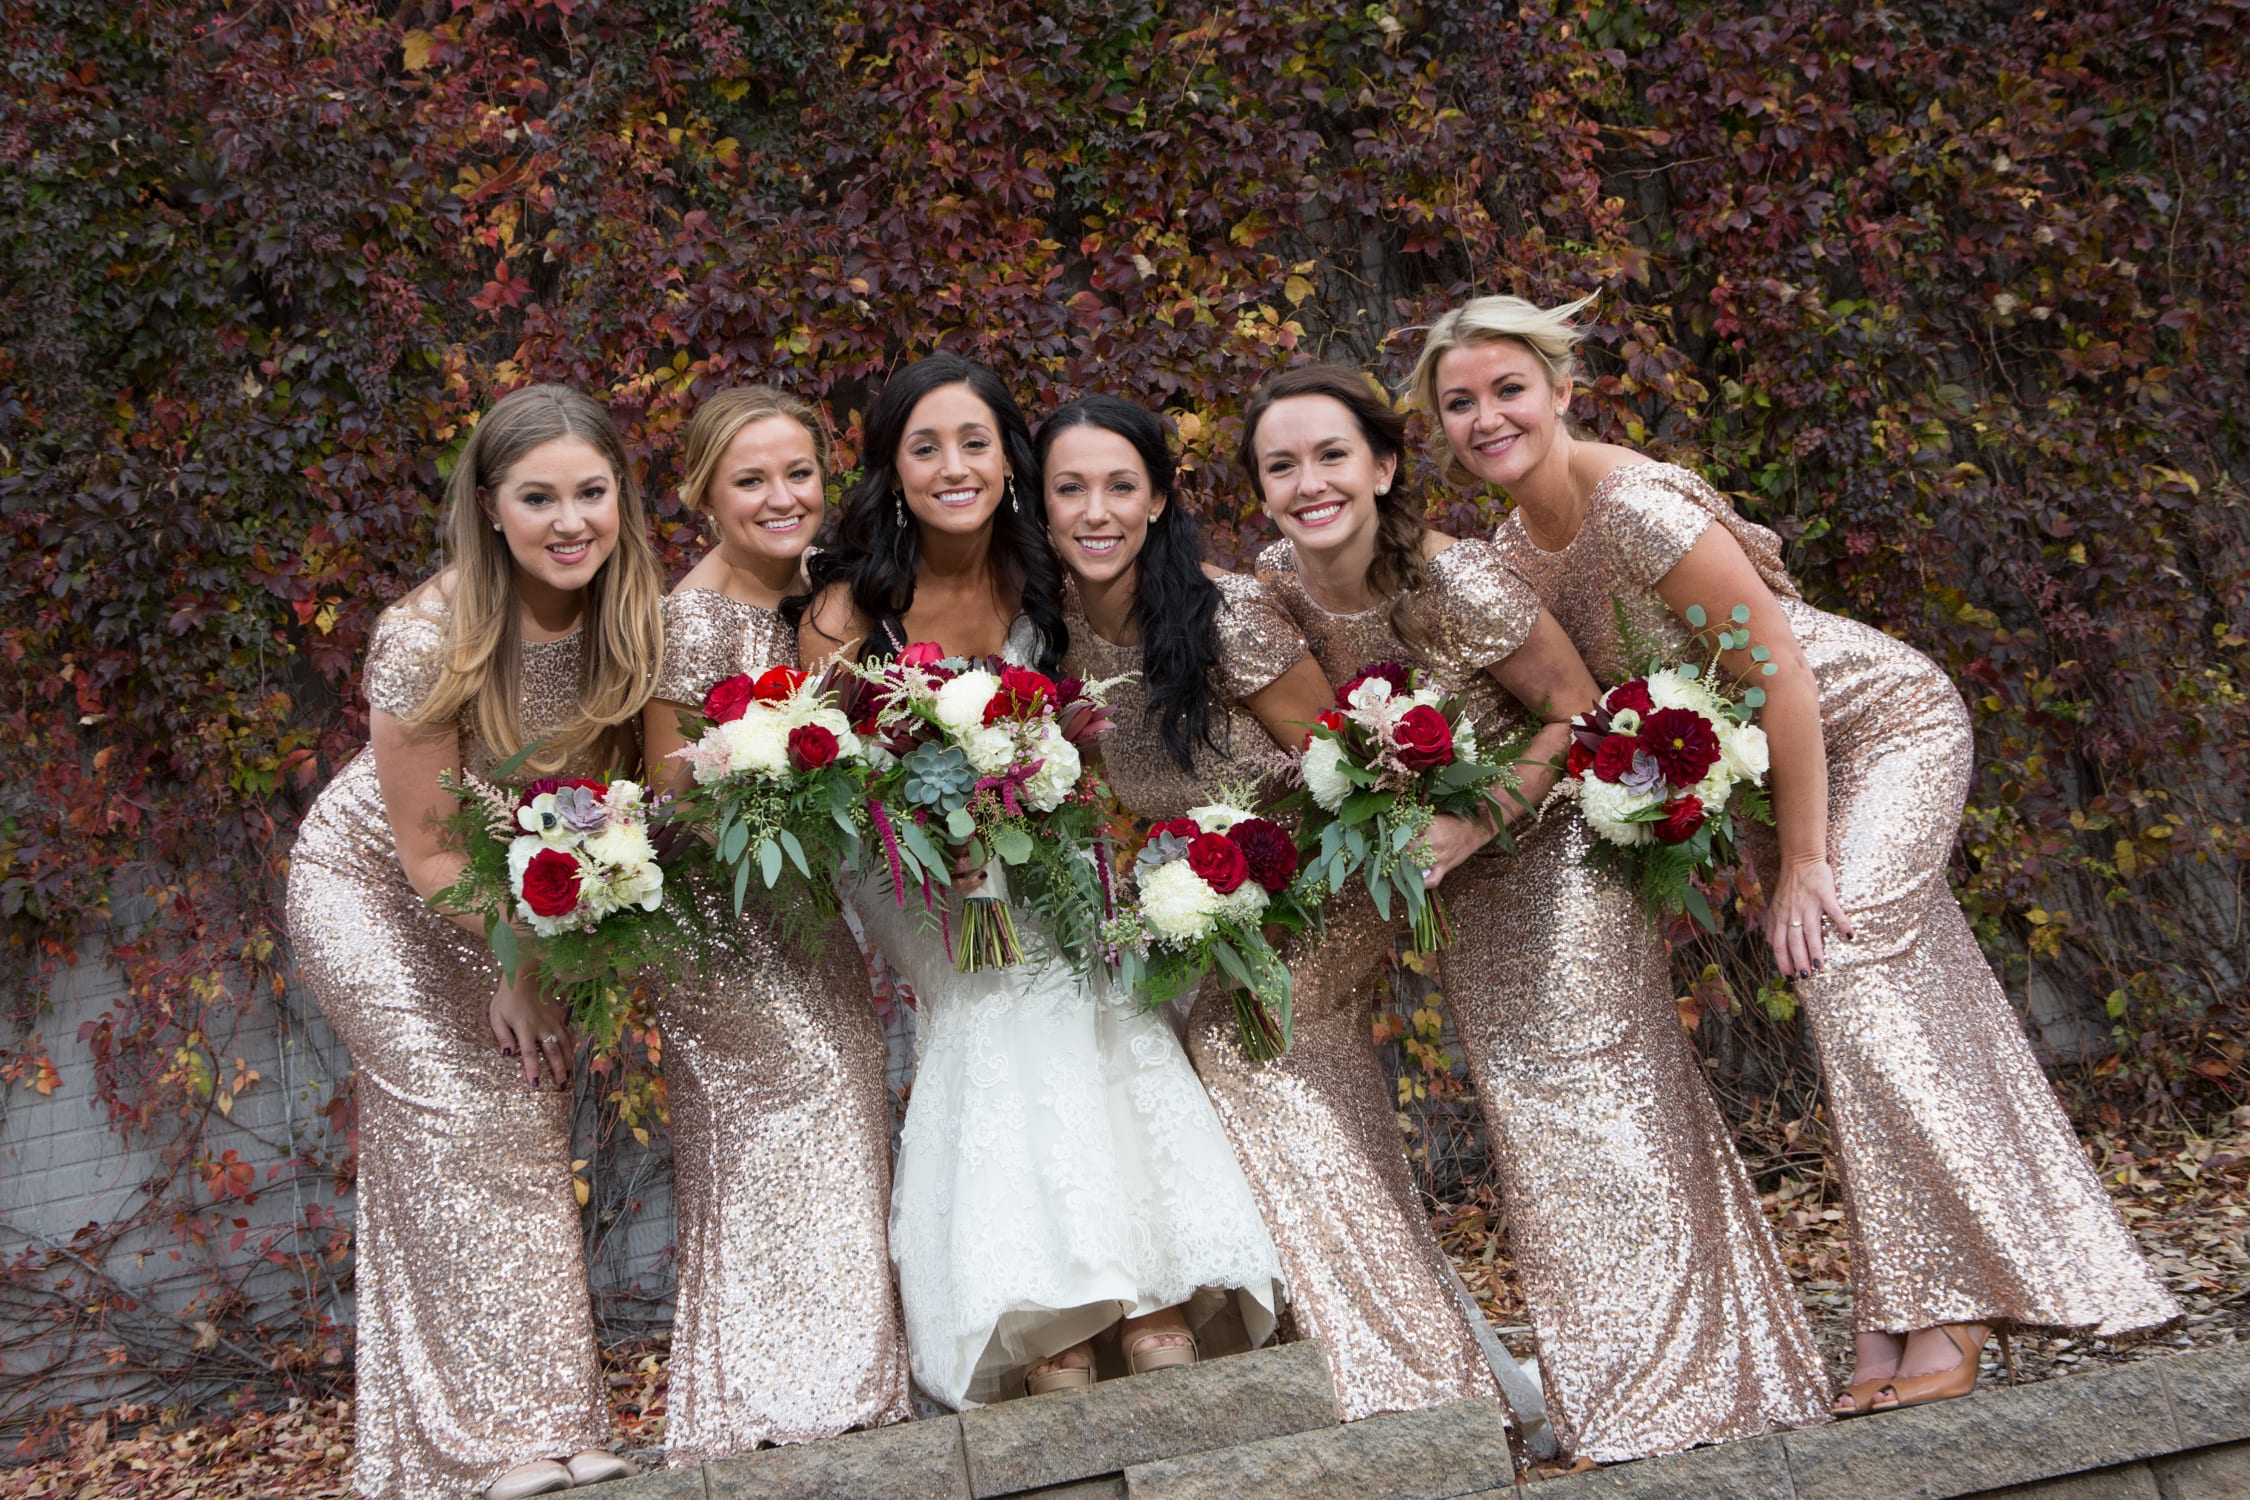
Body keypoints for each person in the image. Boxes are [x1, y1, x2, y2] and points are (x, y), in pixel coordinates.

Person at [1409, 293, 2182, 1415]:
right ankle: (1898, 1304)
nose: (1487, 418)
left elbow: (1776, 663)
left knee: (1850, 968)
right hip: (1777, 772)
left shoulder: (1633, 507)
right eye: (1460, 403)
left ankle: (1952, 1304)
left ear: (1562, 390)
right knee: (1857, 1001)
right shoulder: (1515, 550)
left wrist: (1805, 861)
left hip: (1876, 726)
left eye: (1507, 389)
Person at [1240, 364, 1834, 1458]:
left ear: (1382, 465)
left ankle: (1688, 1404)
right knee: (1528, 1116)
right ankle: (1643, 1390)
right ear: (1262, 491)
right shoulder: (1277, 583)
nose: (1310, 482)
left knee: (1594, 1096)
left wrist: (1475, 824)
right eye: (1283, 466)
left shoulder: (1456, 582)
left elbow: (1578, 715)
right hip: (1464, 884)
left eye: (1333, 456)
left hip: (1553, 849)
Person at [793, 355, 1282, 1408]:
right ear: (892, 466)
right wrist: (929, 827)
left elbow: (1092, 725)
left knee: (1090, 985)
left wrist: (1038, 790)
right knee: (1001, 998)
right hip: (920, 875)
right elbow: (816, 775)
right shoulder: (849, 610)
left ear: (1008, 461)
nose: (953, 465)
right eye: (924, 446)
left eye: (974, 442)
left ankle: (1137, 1289)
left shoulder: (1041, 580)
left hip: (1050, 847)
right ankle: (1053, 1302)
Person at [1035, 393, 1516, 1423]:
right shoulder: (1057, 635)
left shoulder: (1228, 616)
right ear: (1037, 509)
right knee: (1218, 1076)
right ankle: (1354, 1361)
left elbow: (1347, 770)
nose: (1096, 510)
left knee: (1240, 1041)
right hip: (1213, 909)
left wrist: (1278, 886)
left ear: (1162, 498)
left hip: (1322, 881)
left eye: (1122, 485)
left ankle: (1410, 1386)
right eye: (1070, 488)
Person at [286, 385, 660, 1499]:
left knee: (527, 1120)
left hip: (520, 889)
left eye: (590, 493)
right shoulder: (424, 638)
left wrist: (557, 944)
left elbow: (619, 803)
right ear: (490, 508)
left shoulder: (625, 614)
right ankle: (490, 1447)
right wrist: (518, 967)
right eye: (537, 497)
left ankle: (536, 1429)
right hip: (378, 889)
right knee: (459, 1120)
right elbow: (427, 851)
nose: (569, 521)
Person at [637, 385, 911, 1462]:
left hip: (799, 913)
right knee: (794, 1113)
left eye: (798, 473)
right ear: (704, 493)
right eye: (750, 479)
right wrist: (779, 783)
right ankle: (784, 1407)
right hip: (721, 925)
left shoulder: (822, 592)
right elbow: (672, 796)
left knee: (841, 1105)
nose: (781, 496)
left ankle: (837, 1394)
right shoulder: (689, 620)